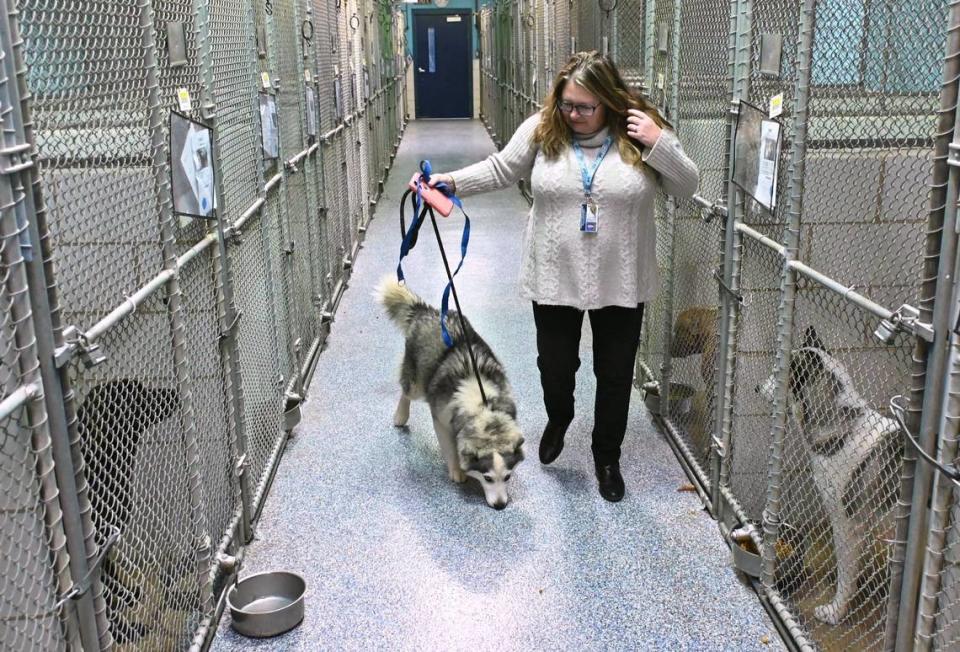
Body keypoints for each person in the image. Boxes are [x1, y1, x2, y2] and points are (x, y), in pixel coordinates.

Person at [427, 51, 699, 502]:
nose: (573, 114)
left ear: (610, 102)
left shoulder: (640, 134)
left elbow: (688, 186)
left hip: (622, 278)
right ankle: (560, 415)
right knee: (556, 366)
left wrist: (659, 142)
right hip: (554, 272)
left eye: (584, 107)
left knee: (614, 373)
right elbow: (501, 168)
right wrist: (451, 183)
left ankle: (606, 456)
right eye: (567, 104)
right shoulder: (544, 127)